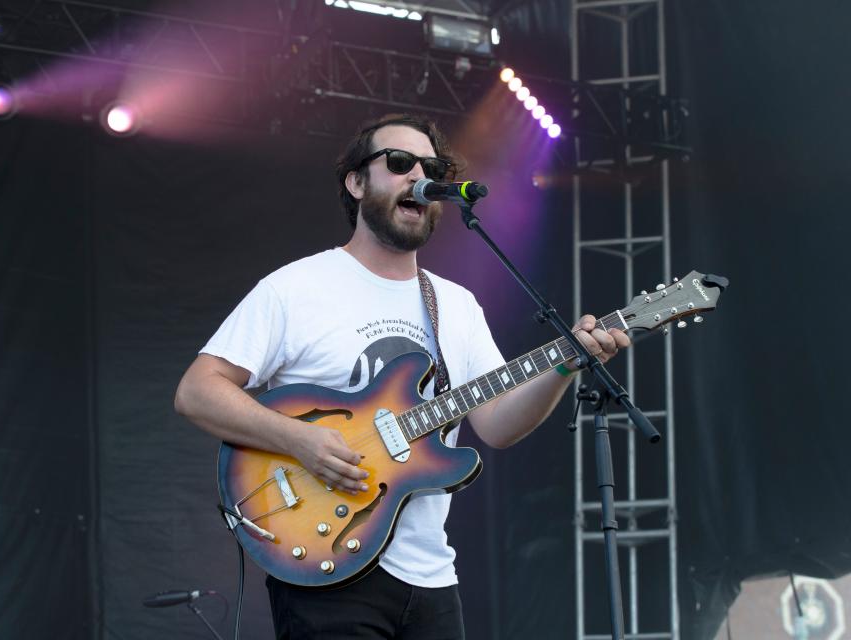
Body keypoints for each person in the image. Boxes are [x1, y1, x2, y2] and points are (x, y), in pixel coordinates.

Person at [174, 113, 631, 639]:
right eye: (399, 162)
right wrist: (301, 440)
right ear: (357, 181)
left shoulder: (455, 305)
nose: (418, 175)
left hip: (431, 574)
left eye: (430, 167)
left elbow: (498, 426)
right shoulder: (295, 289)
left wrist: (564, 365)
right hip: (328, 562)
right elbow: (197, 390)